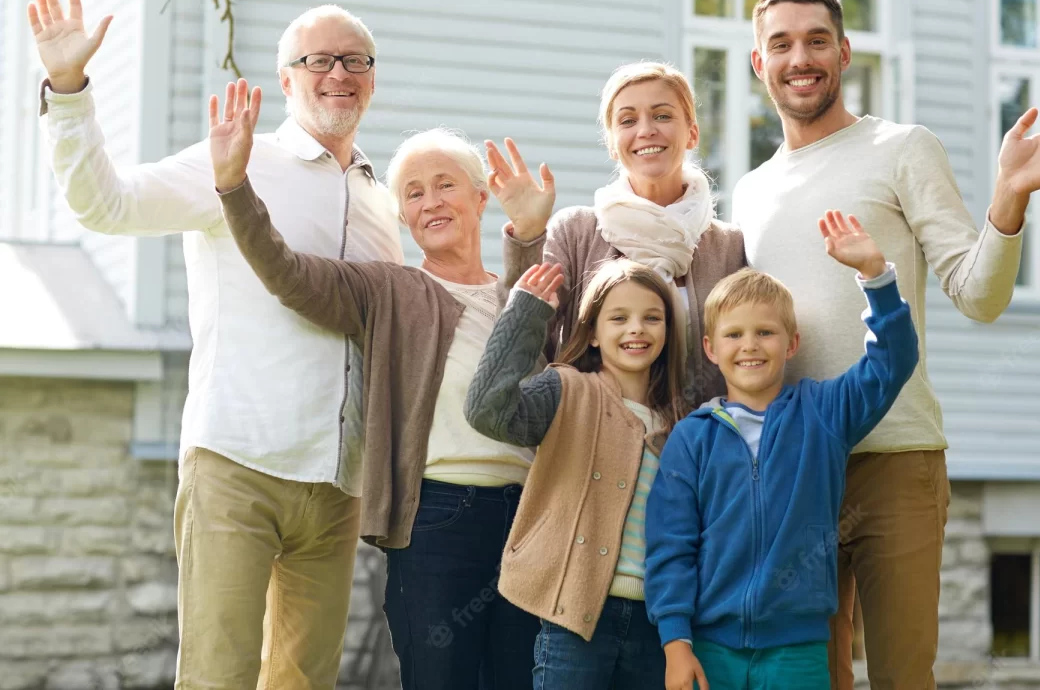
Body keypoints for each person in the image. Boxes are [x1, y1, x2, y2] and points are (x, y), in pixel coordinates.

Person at [732, 0, 1040, 689]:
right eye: (780, 44)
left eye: (817, 40)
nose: (800, 57)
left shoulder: (901, 148)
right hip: (792, 471)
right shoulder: (750, 192)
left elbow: (978, 294)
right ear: (760, 64)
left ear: (843, 53)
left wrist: (1008, 202)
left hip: (897, 459)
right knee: (810, 675)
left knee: (903, 675)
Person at [28, 0, 404, 688]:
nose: (339, 75)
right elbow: (103, 204)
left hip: (336, 486)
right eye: (319, 60)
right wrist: (70, 88)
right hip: (238, 462)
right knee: (217, 677)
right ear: (286, 77)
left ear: (373, 78)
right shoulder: (233, 159)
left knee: (304, 682)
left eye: (356, 61)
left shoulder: (380, 200)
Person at [206, 88, 540, 690]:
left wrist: (531, 232)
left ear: (480, 197)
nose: (430, 201)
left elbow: (532, 335)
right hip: (438, 517)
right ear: (403, 215)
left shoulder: (516, 294)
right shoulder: (389, 290)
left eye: (445, 185)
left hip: (526, 518)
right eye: (413, 193)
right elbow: (288, 274)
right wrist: (234, 188)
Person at [645, 211, 919, 690]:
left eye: (765, 332)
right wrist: (675, 643)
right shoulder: (692, 437)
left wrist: (876, 275)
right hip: (710, 648)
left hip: (799, 649)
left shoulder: (824, 414)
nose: (750, 346)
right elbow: (670, 545)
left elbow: (893, 362)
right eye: (734, 334)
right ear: (711, 348)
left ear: (792, 343)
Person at [464, 259, 689, 689]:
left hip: (655, 626)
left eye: (652, 318)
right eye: (619, 318)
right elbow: (486, 410)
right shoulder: (564, 390)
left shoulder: (681, 422)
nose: (636, 329)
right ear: (593, 331)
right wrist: (526, 314)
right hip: (573, 616)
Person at [490, 61, 745, 409]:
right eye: (627, 120)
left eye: (662, 115)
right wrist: (528, 237)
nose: (645, 130)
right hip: (594, 446)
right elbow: (525, 336)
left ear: (692, 133)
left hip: (697, 453)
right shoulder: (576, 232)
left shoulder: (730, 247)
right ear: (611, 144)